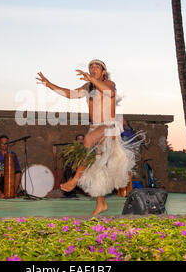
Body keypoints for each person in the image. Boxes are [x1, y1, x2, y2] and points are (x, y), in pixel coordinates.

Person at [37, 59, 141, 216]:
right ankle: (101, 204)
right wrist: (50, 85)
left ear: (103, 72)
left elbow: (110, 93)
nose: (93, 68)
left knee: (87, 140)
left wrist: (92, 79)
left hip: (109, 126)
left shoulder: (109, 83)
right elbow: (70, 94)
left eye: (97, 66)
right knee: (94, 166)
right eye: (91, 66)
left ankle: (74, 181)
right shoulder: (88, 86)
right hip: (95, 127)